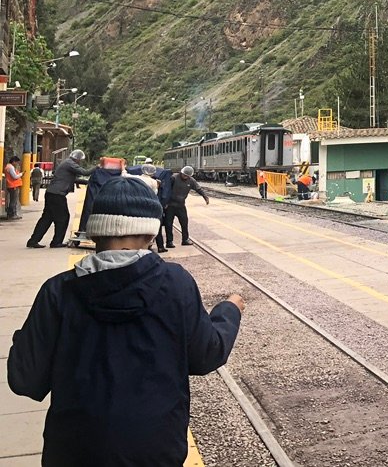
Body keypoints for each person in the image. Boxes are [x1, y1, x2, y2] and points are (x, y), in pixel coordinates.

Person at [7, 176, 244, 465]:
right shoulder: (176, 283)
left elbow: (25, 381)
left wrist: (27, 337)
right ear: (149, 234)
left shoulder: (58, 291)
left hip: (74, 452)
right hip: (154, 450)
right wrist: (229, 311)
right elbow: (206, 356)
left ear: (94, 233)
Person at [27, 150, 89, 249]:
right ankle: (56, 242)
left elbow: (71, 180)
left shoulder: (66, 163)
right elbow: (84, 172)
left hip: (51, 193)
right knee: (63, 218)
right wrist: (99, 168)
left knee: (46, 219)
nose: (79, 162)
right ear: (77, 159)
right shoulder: (70, 163)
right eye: (80, 160)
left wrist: (87, 182)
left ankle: (33, 240)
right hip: (57, 195)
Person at [75, 158, 126, 243]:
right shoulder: (119, 176)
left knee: (89, 210)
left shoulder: (97, 173)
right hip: (112, 201)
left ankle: (83, 231)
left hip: (93, 197)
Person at [163, 165, 209, 247]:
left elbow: (198, 189)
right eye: (184, 175)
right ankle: (169, 242)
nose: (185, 177)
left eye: (187, 176)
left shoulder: (191, 181)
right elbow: (166, 189)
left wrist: (205, 197)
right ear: (181, 173)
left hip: (181, 205)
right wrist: (165, 203)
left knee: (184, 223)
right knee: (168, 224)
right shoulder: (173, 178)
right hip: (170, 205)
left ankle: (185, 239)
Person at [154, 165, 175, 253]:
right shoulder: (165, 182)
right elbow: (165, 194)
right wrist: (165, 204)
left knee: (158, 227)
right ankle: (161, 246)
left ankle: (161, 246)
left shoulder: (156, 180)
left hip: (155, 206)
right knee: (159, 227)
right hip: (159, 207)